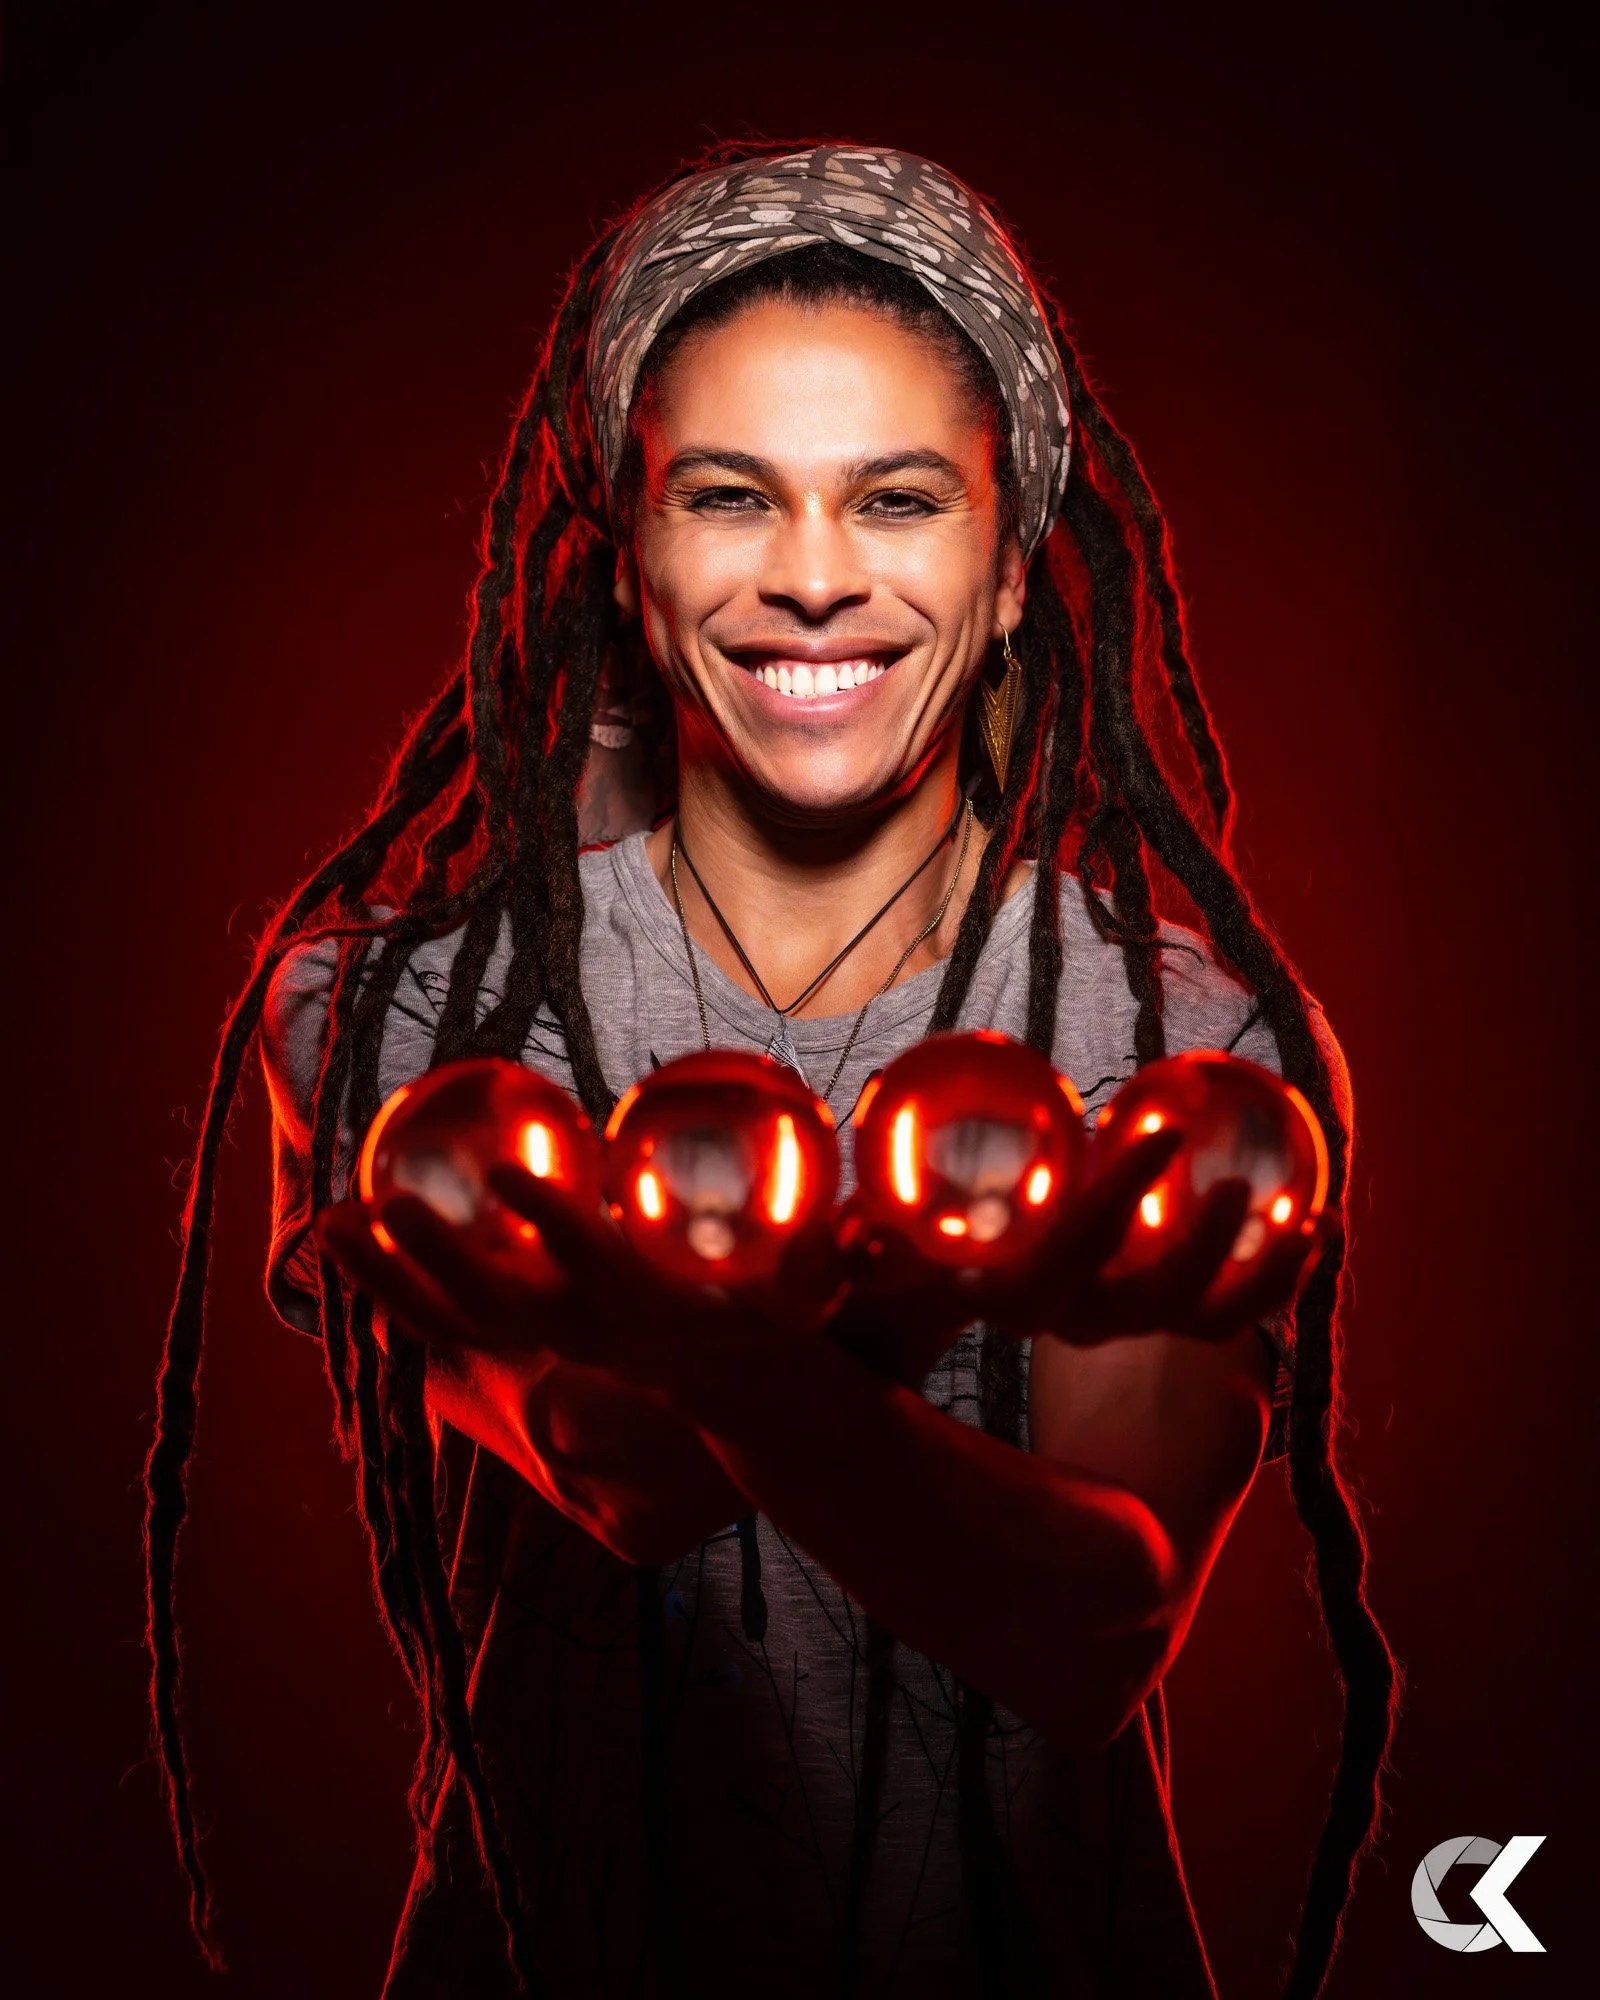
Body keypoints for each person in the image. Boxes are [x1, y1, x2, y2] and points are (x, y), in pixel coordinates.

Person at [145, 142, 1398, 1998]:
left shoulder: (1182, 1039)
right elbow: (615, 1455)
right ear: (627, 565)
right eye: (731, 499)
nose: (814, 582)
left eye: (897, 503)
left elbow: (1085, 1626)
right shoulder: (407, 1014)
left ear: (1015, 568)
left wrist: (698, 1286)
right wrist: (963, 1244)